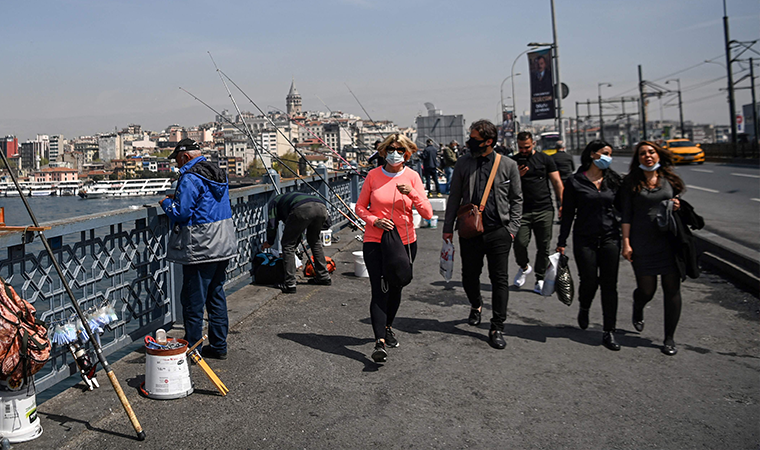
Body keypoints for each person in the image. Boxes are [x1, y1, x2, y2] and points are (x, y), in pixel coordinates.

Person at [442, 120, 522, 350]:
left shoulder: (507, 165)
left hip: (499, 232)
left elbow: (517, 199)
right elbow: (454, 197)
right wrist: (448, 227)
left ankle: (497, 326)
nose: (469, 142)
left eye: (474, 138)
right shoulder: (463, 163)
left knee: (500, 280)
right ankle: (476, 305)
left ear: (488, 141)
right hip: (469, 231)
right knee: (469, 276)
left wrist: (512, 230)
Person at [355, 133, 433, 363]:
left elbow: (428, 213)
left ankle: (388, 326)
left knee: (396, 286)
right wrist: (373, 220)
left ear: (407, 154)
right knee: (379, 289)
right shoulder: (373, 175)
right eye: (391, 148)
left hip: (405, 241)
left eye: (400, 149)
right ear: (384, 151)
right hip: (375, 240)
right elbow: (360, 207)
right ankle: (379, 341)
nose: (395, 152)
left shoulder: (413, 177)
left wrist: (413, 193)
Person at [160, 138, 237, 360]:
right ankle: (219, 346)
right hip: (223, 243)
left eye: (176, 159)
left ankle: (193, 351)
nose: (176, 164)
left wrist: (166, 203)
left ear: (184, 157)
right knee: (216, 295)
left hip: (201, 247)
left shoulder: (191, 177)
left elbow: (181, 213)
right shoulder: (218, 173)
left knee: (193, 301)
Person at [620, 141, 686, 356]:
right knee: (647, 290)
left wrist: (677, 205)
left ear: (658, 155)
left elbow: (680, 207)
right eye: (642, 153)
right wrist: (626, 243)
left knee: (672, 290)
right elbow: (626, 216)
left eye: (651, 152)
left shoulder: (671, 181)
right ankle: (638, 307)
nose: (647, 156)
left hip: (668, 242)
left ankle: (669, 338)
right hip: (642, 243)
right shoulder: (631, 182)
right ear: (637, 158)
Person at [556, 140, 623, 351]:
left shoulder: (614, 181)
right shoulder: (575, 181)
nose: (608, 158)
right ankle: (584, 306)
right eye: (605, 153)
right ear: (593, 155)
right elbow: (567, 214)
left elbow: (626, 209)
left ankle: (609, 330)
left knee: (609, 285)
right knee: (590, 281)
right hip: (585, 239)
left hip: (611, 238)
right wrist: (561, 242)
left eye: (610, 154)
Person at [511, 131, 564, 293]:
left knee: (544, 246)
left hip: (544, 209)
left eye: (526, 147)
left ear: (533, 143)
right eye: (520, 147)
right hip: (522, 211)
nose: (524, 150)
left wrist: (563, 204)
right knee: (519, 243)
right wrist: (517, 176)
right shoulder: (512, 162)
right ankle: (524, 266)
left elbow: (556, 182)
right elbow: (504, 186)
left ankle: (539, 278)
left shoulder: (545, 159)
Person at [263, 192, 332, 294]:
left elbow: (272, 224)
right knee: (315, 241)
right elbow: (325, 225)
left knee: (287, 245)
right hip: (321, 207)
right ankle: (324, 277)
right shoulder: (290, 200)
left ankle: (290, 284)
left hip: (303, 209)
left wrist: (270, 241)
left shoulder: (274, 202)